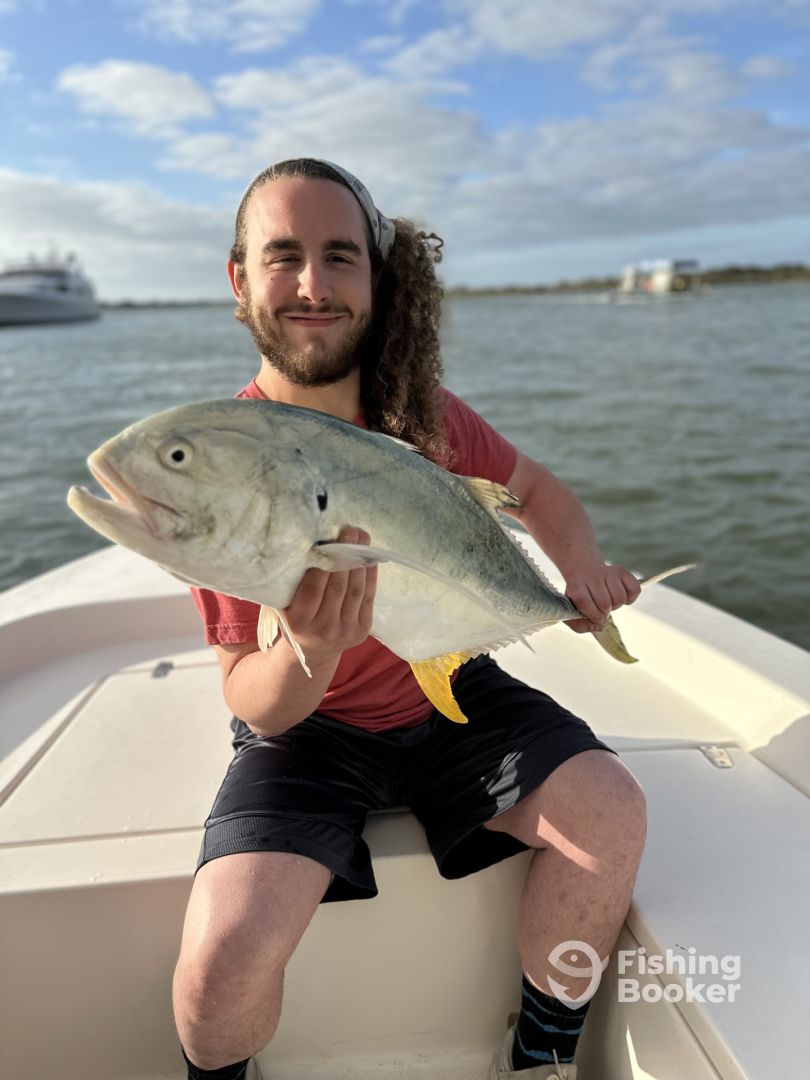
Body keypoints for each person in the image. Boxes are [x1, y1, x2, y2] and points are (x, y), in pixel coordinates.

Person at [173, 158, 647, 1080]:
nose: (314, 284)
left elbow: (539, 491)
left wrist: (580, 573)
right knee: (218, 963)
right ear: (240, 279)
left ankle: (538, 1058)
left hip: (451, 688)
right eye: (284, 255)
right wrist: (308, 651)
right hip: (307, 732)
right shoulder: (231, 461)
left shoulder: (421, 420)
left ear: (377, 279)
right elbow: (255, 702)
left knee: (612, 812)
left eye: (341, 256)